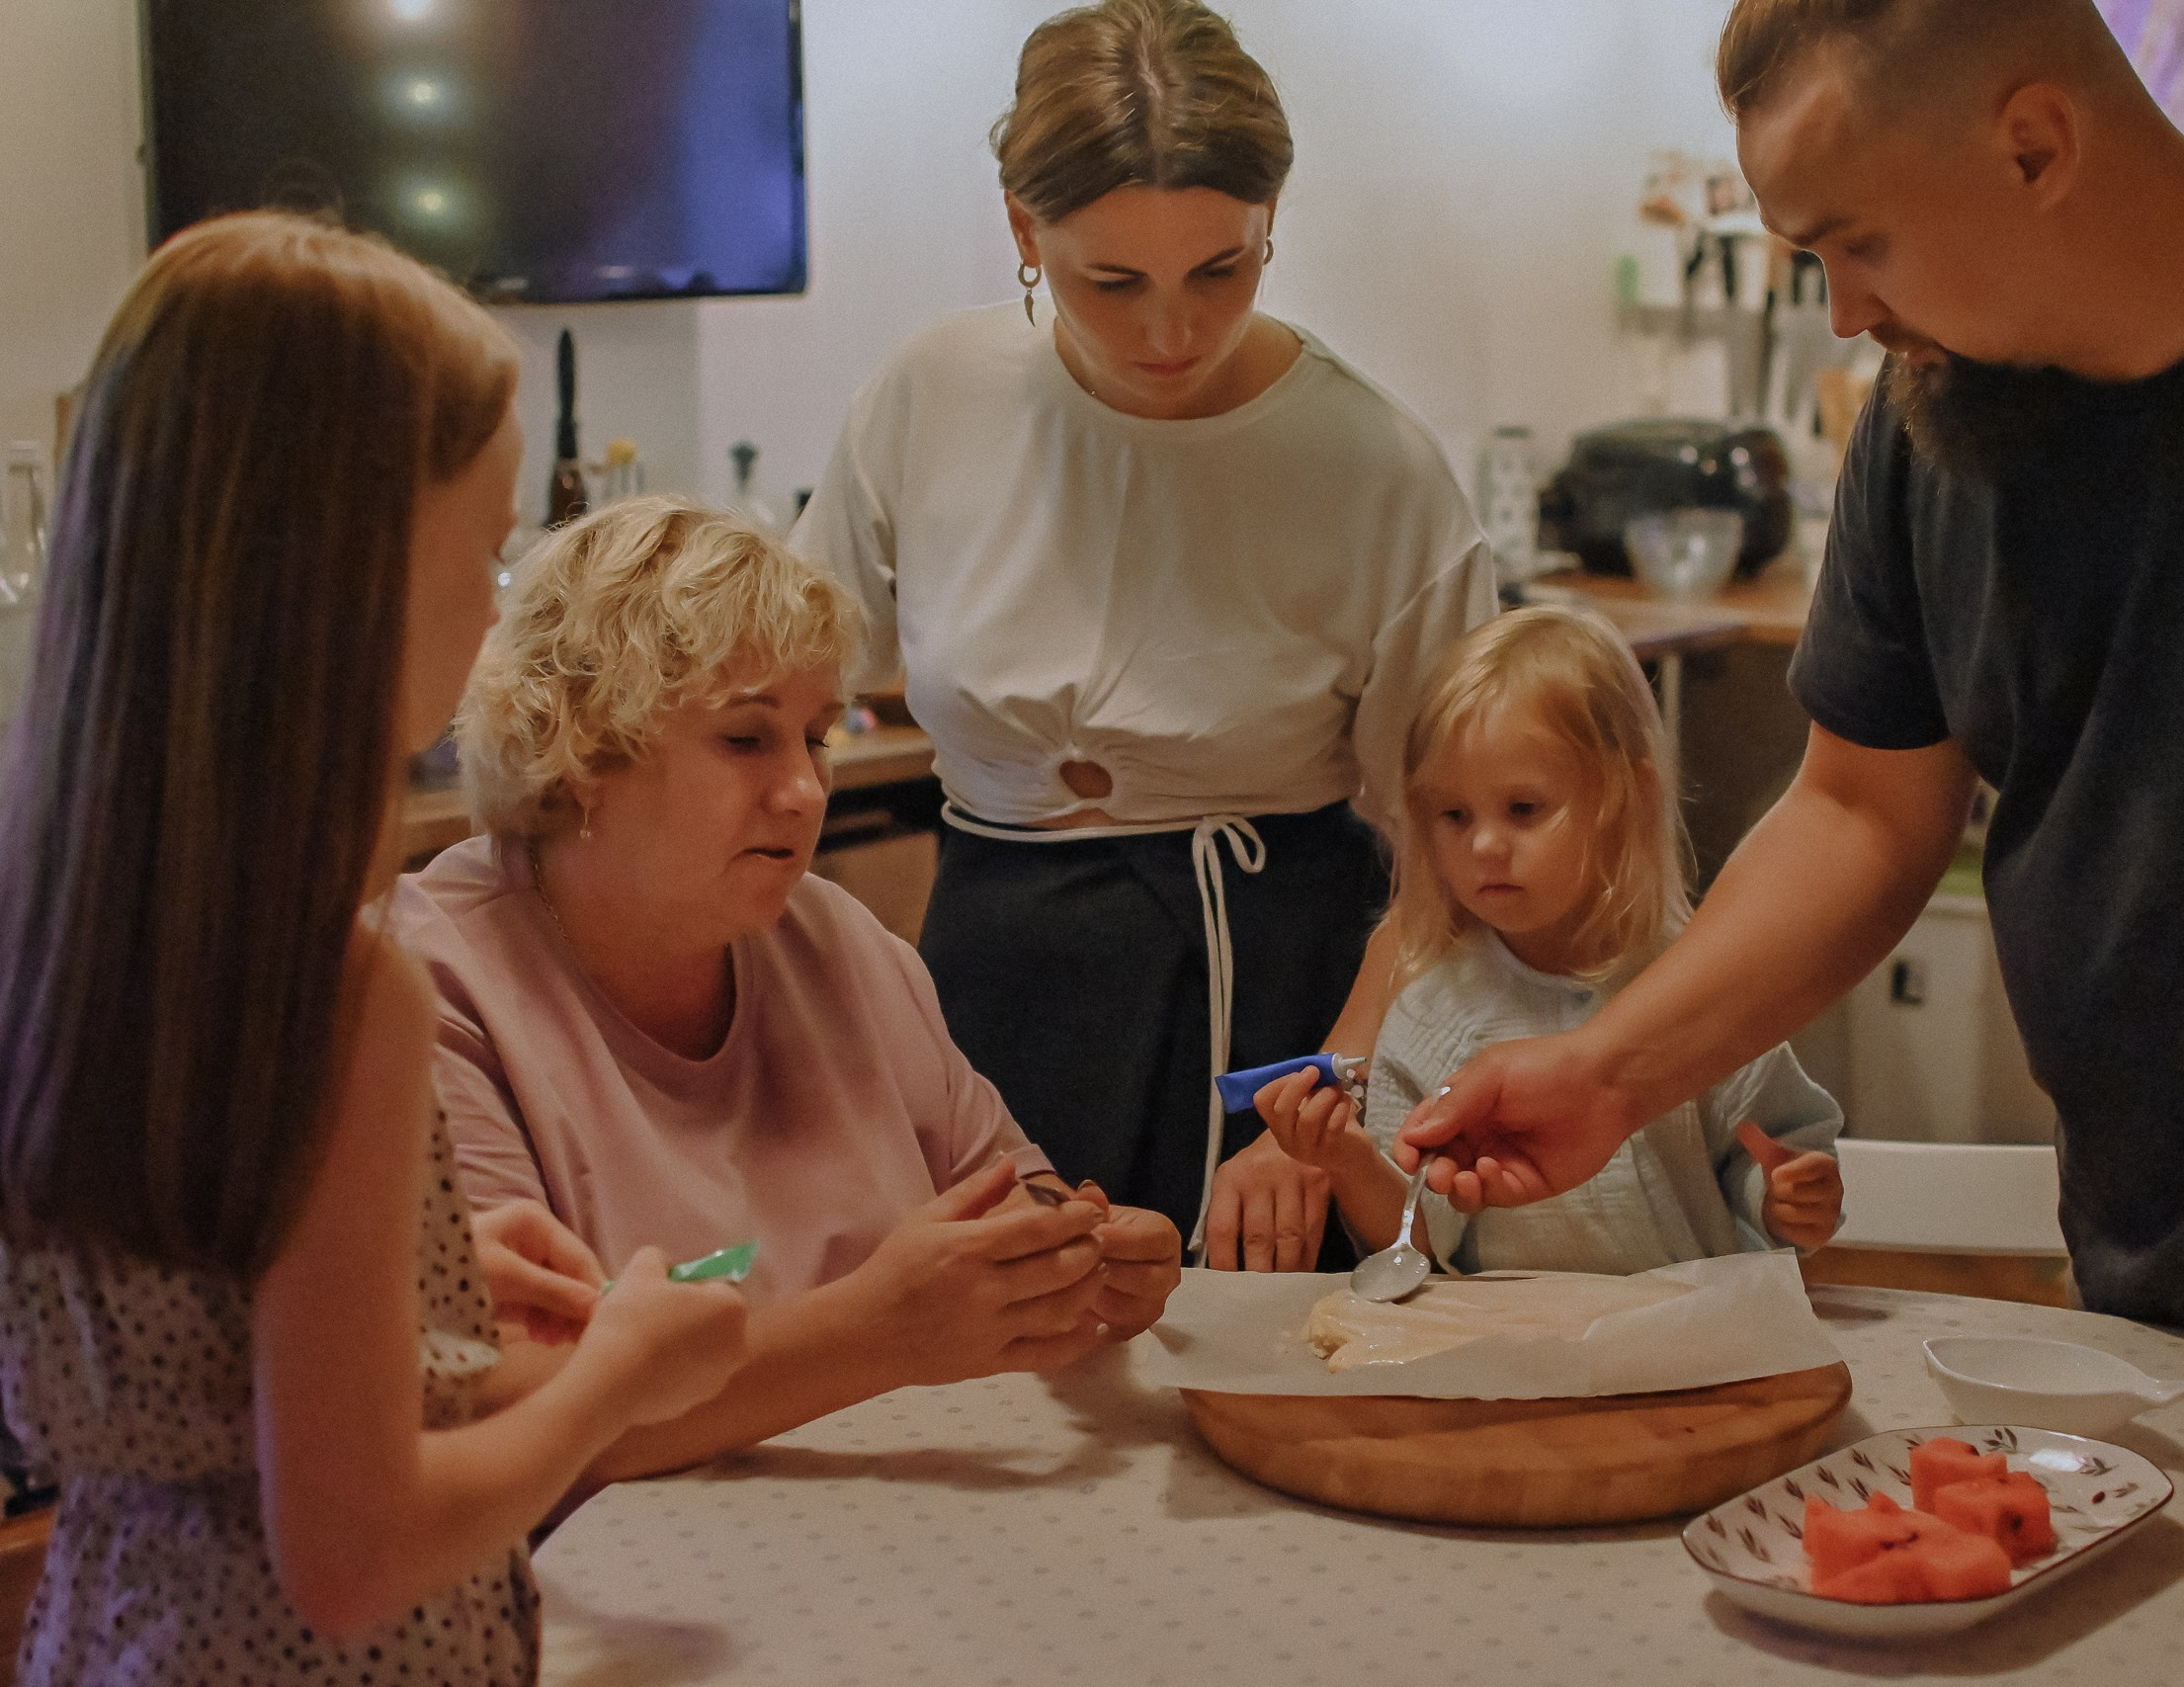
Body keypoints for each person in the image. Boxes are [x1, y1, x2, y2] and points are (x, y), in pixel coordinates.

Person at [1401, 0, 2184, 1532]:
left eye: (1856, 243)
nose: (1845, 314)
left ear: (2034, 144)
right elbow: (1863, 808)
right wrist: (1612, 1067)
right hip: (2163, 1303)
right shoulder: (1932, 414)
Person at [0, 212, 748, 1680]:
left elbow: (171, 1318)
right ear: (336, 581)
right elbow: (351, 1553)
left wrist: (416, 1273)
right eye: (481, 549)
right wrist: (619, 1375)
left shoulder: (56, 918)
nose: (496, 601)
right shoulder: (338, 996)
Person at [791, 0, 1496, 1272]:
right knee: (1003, 1387)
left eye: (1220, 270)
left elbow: (1455, 857)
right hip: (988, 968)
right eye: (1110, 281)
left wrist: (1321, 1110)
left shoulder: (1372, 466)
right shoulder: (930, 396)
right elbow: (780, 677)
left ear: (1270, 223)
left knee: (1261, 1391)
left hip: (1276, 1008)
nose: (1170, 332)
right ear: (1023, 230)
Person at [394, 496, 1182, 1485]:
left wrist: (1074, 1255)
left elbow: (1002, 1189)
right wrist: (875, 1336)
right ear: (585, 748)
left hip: (898, 1523)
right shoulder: (430, 990)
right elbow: (498, 1416)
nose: (806, 790)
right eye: (746, 739)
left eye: (814, 737)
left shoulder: (836, 938)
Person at [1257, 609, 1844, 1271]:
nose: (1483, 844)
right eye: (1453, 815)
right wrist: (1346, 1157)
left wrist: (1785, 1196)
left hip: (1683, 1351)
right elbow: (1412, 1243)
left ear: (1630, 797)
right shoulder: (1427, 1013)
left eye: (1524, 809)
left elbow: (1774, 1149)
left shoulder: (1697, 983)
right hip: (1500, 1360)